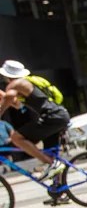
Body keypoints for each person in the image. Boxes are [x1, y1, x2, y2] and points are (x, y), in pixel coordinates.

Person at [0, 59, 71, 193]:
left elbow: (9, 97)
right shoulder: (26, 83)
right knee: (51, 153)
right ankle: (60, 191)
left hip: (51, 117)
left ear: (6, 75)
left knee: (16, 138)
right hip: (58, 116)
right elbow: (15, 103)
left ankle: (51, 163)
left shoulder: (15, 84)